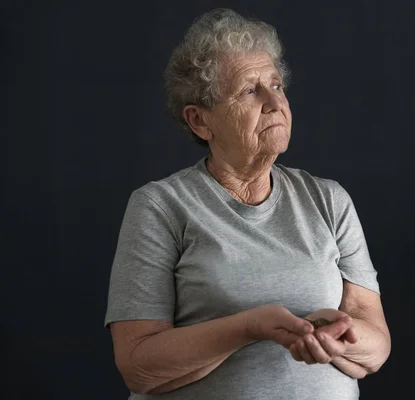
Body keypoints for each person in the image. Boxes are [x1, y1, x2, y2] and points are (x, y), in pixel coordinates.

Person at [104, 8, 391, 400]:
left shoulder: (328, 199)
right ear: (200, 121)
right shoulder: (160, 207)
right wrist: (247, 327)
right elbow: (138, 364)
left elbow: (375, 349)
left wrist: (341, 337)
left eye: (277, 85)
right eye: (249, 90)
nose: (275, 102)